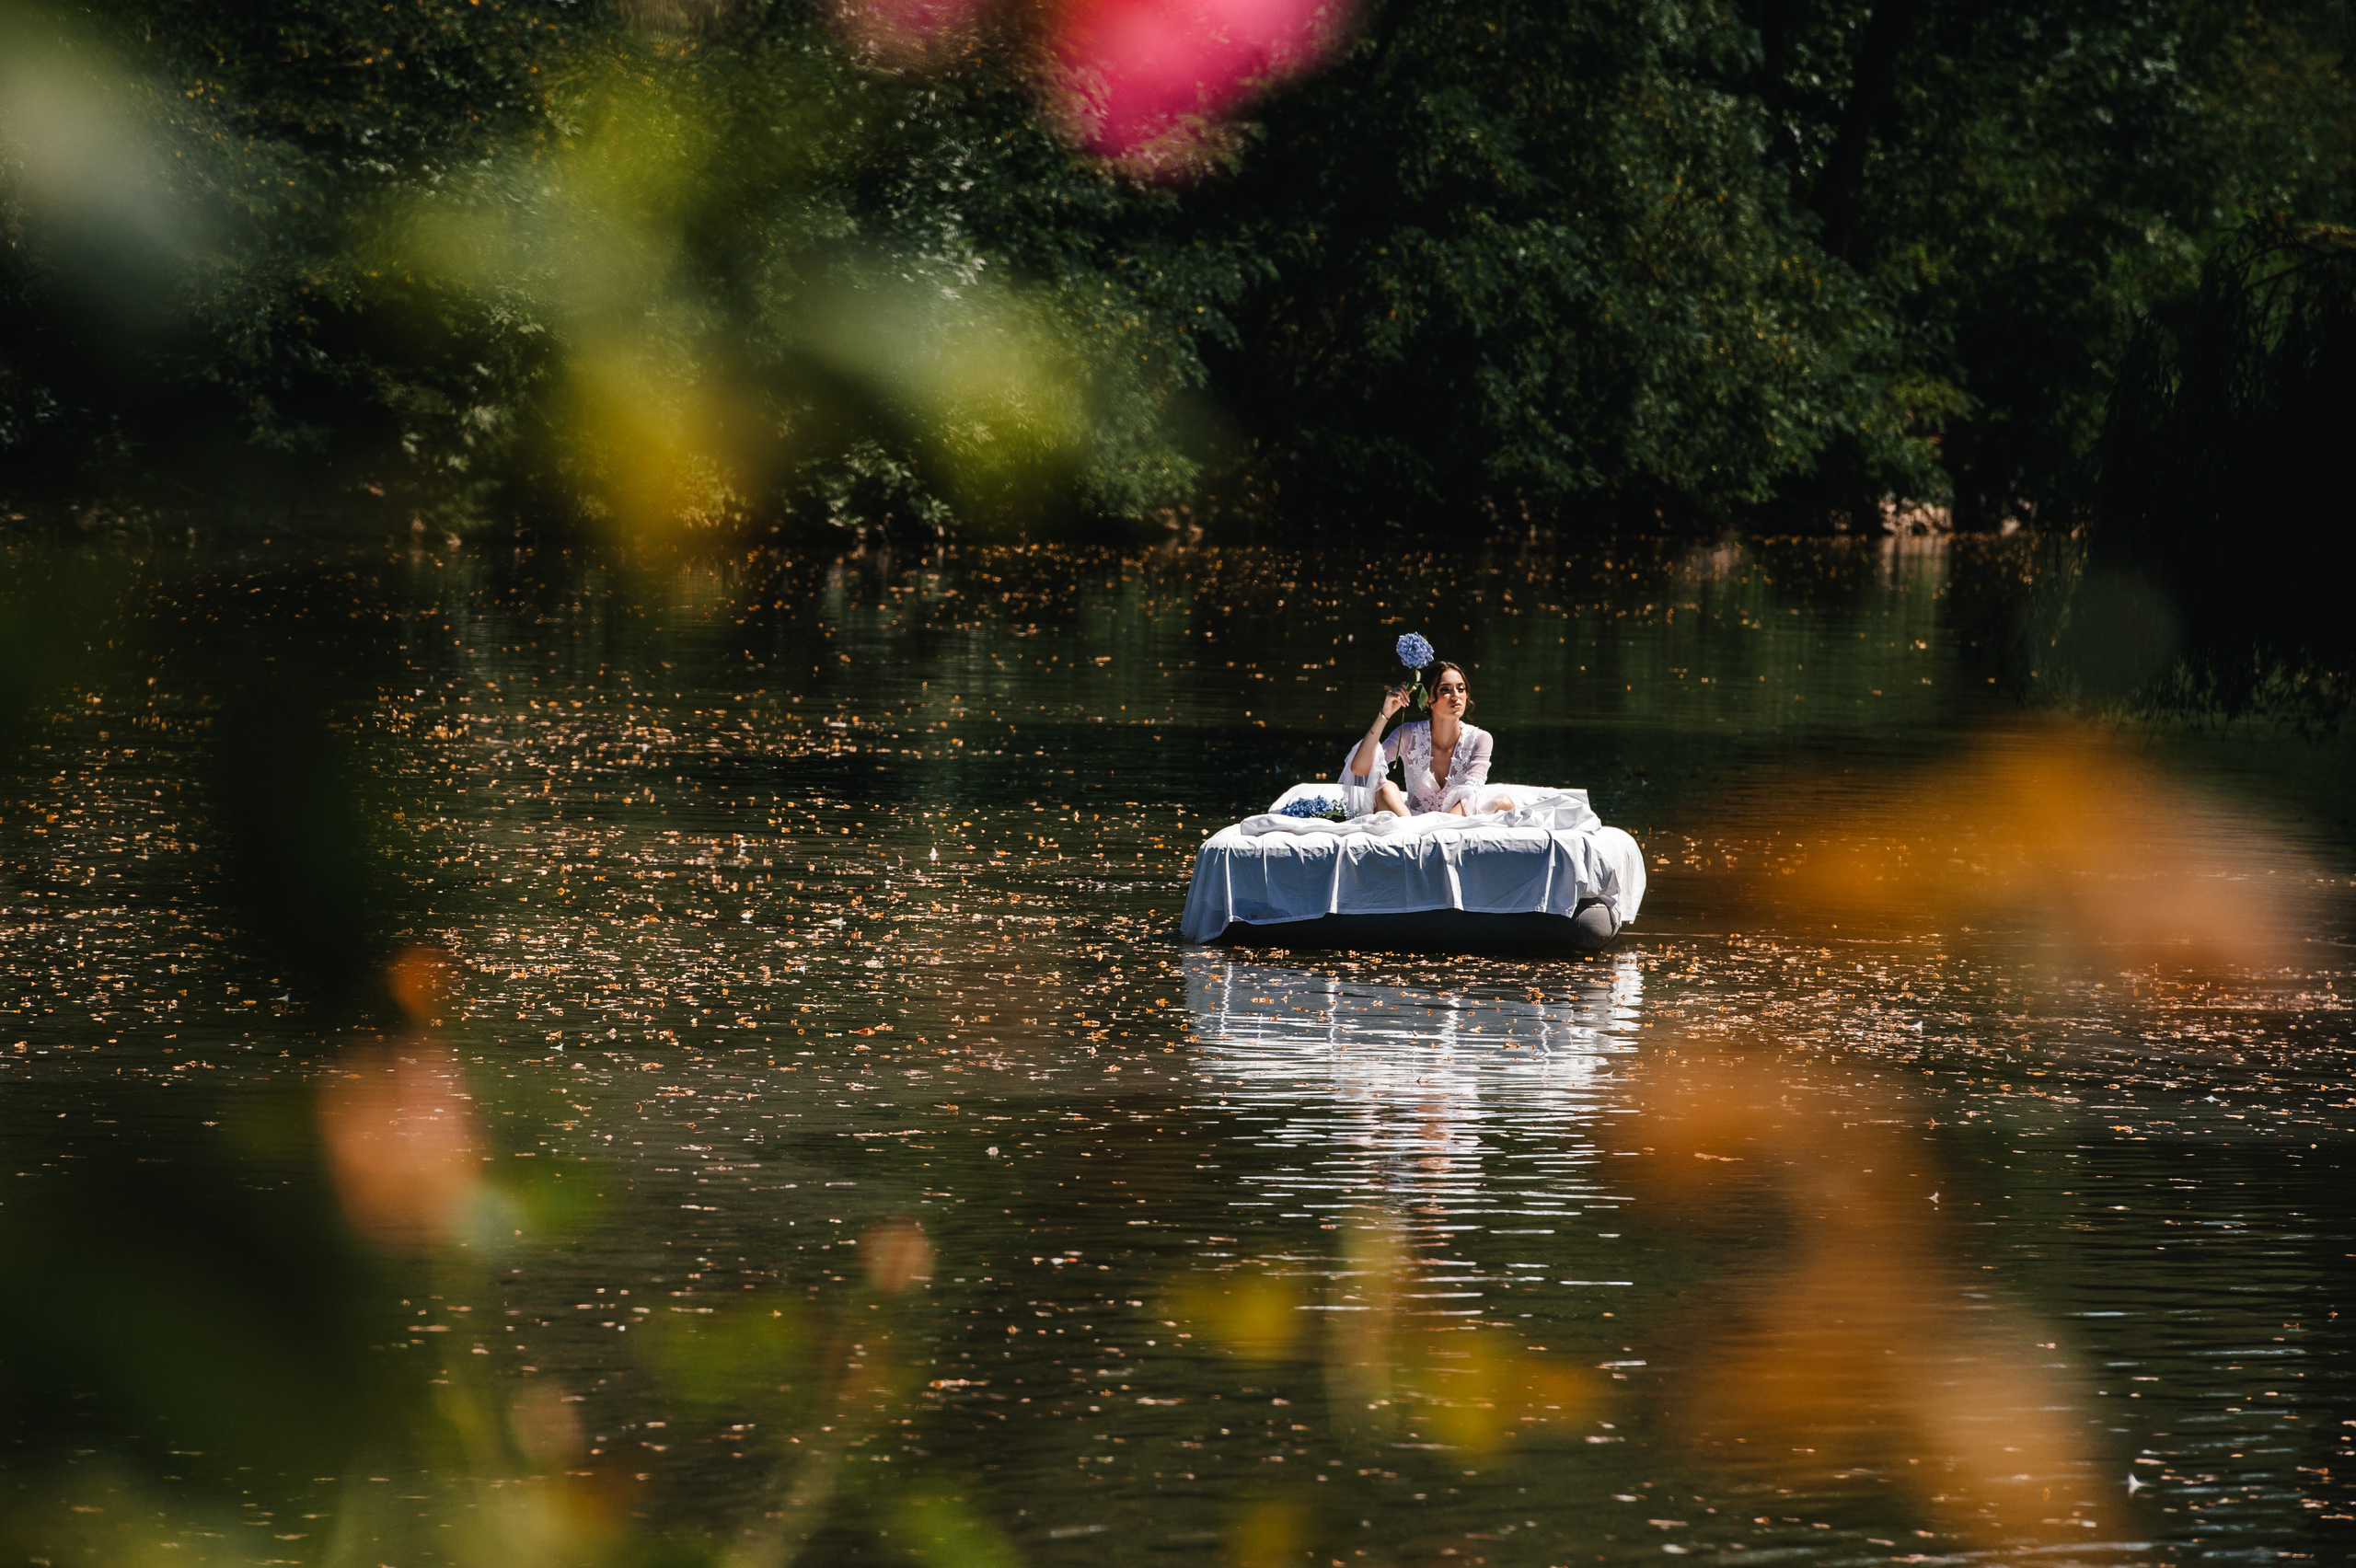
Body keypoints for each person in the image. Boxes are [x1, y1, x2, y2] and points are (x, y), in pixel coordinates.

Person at [1345, 660, 1513, 816]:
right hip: (1410, 821)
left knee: (1504, 803)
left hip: (1457, 822)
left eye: (1461, 689)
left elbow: (1469, 796)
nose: (1456, 696)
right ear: (1427, 700)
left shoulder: (1480, 739)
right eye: (1445, 690)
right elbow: (1360, 769)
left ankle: (1427, 836)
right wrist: (1385, 714)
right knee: (1386, 788)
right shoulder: (1409, 734)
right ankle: (1417, 835)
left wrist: (1437, 832)